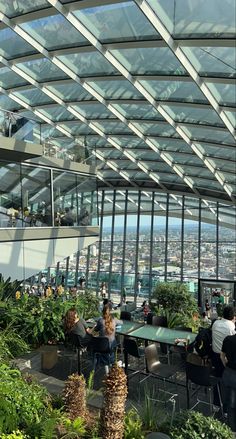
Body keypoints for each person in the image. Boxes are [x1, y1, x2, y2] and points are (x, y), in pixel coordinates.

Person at [211, 305, 236, 406]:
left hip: (215, 355)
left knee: (217, 380)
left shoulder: (215, 323)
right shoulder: (231, 327)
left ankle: (216, 403)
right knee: (227, 384)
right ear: (233, 316)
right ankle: (226, 407)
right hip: (225, 358)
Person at [220, 333, 236, 424]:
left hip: (228, 372)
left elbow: (222, 355)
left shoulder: (228, 339)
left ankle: (227, 419)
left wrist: (226, 365)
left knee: (228, 399)